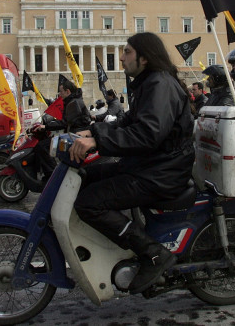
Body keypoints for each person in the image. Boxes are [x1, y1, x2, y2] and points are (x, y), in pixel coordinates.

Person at [69, 32, 195, 294]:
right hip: (148, 165)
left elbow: (148, 134)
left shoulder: (160, 85)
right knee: (86, 176)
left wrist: (97, 142)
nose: (122, 57)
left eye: (127, 52)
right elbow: (128, 122)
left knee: (89, 202)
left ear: (144, 58)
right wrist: (93, 132)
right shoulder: (149, 83)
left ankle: (153, 254)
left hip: (161, 172)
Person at [34, 80, 91, 178]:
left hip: (75, 135)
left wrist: (46, 126)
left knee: (42, 146)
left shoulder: (73, 103)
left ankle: (52, 175)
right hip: (73, 133)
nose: (60, 94)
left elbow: (65, 122)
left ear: (67, 91)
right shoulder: (72, 101)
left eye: (61, 92)